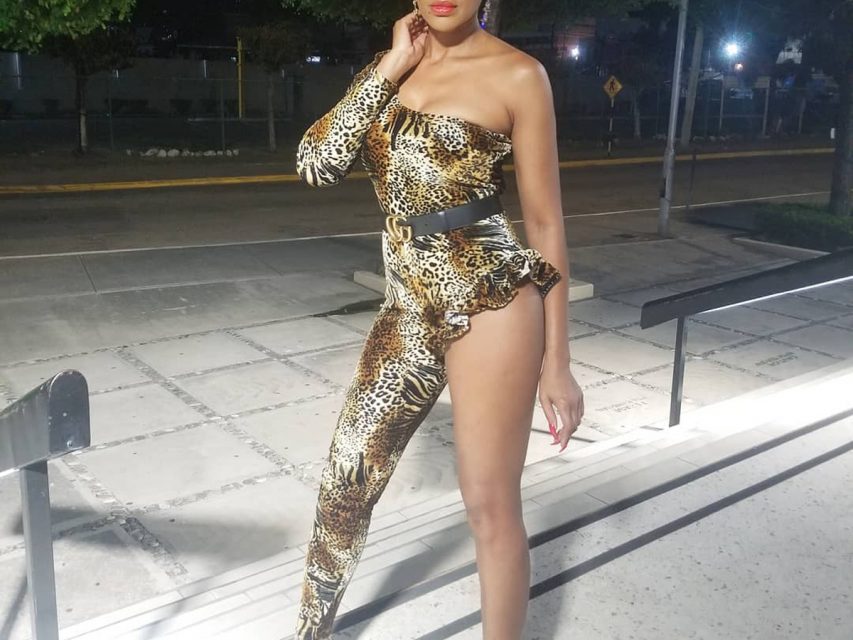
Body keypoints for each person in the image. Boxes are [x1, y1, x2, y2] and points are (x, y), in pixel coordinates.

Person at [293, 1, 584, 637]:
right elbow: (316, 164)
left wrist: (557, 361)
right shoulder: (390, 67)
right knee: (345, 484)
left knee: (488, 504)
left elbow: (544, 223)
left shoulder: (520, 75)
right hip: (406, 304)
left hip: (491, 299)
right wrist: (392, 65)